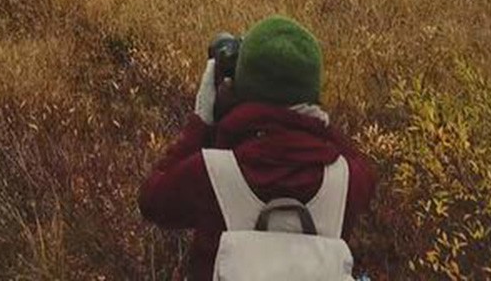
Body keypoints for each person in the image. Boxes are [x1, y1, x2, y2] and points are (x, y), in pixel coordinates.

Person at [138, 15, 376, 280]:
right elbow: (359, 163)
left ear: (240, 88)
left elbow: (152, 200)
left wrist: (202, 121)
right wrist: (319, 124)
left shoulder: (210, 174)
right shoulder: (349, 180)